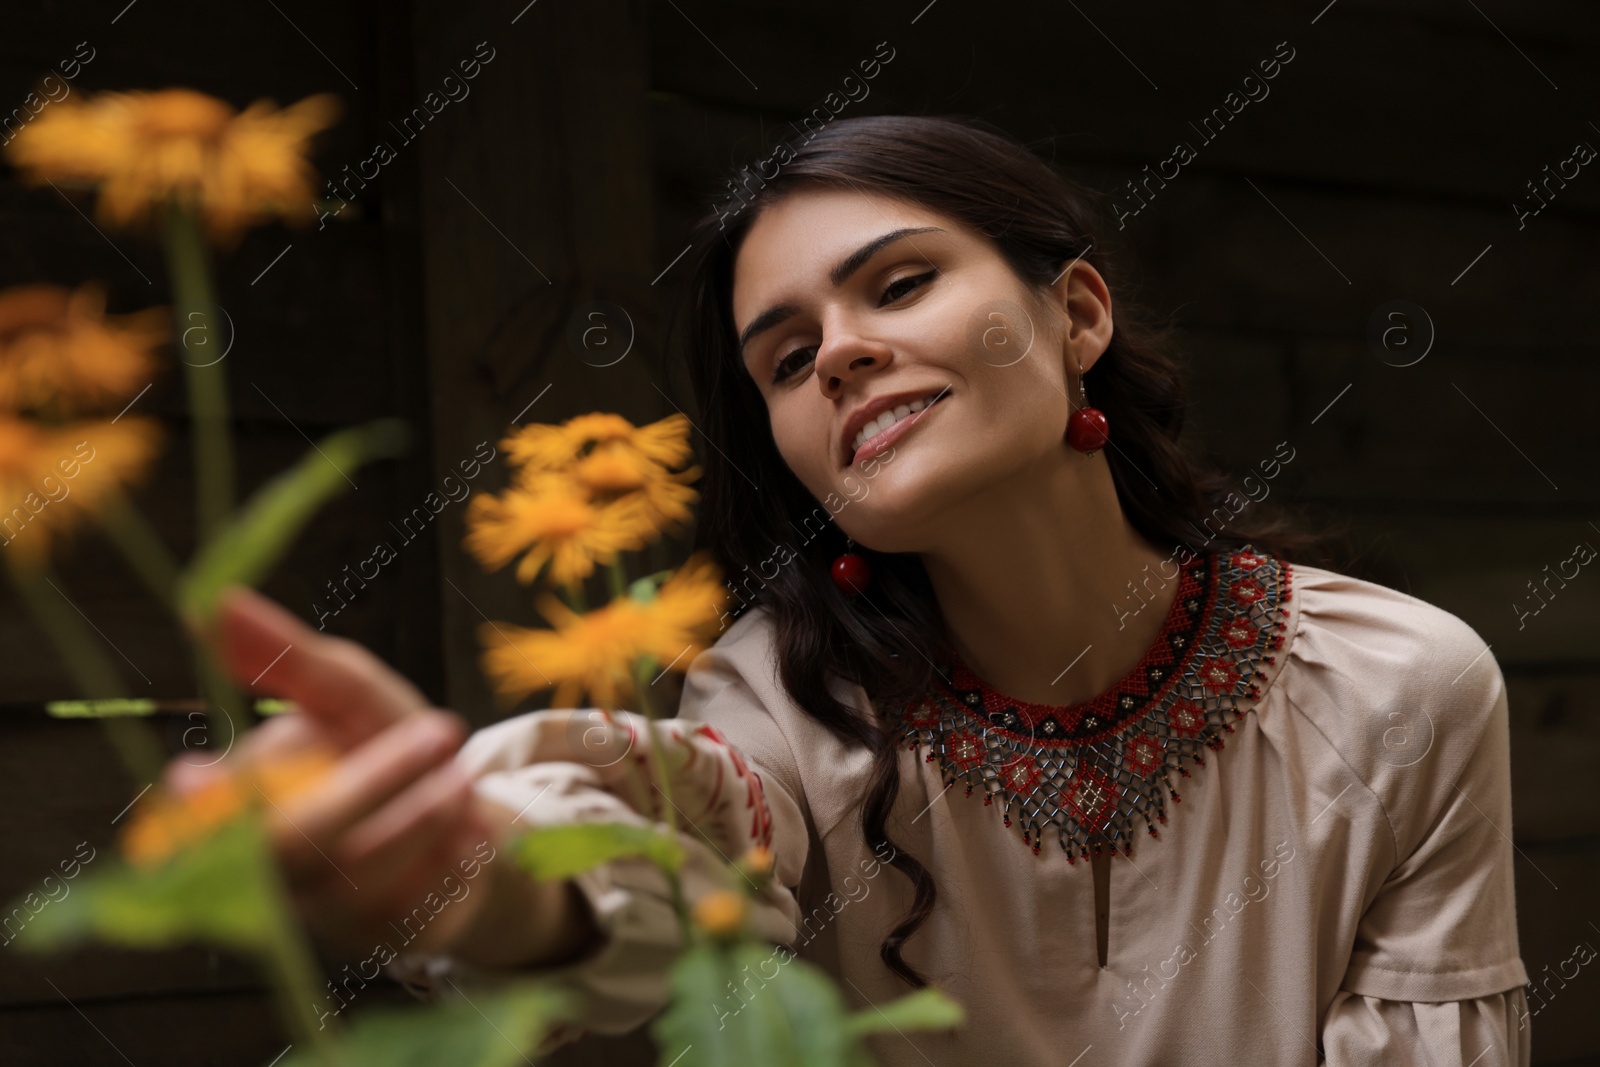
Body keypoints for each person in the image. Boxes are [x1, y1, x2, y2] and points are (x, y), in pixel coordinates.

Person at [181, 115, 1531, 1064]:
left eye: (899, 284)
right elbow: (684, 823)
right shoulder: (778, 704)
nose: (838, 355)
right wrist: (493, 882)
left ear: (1078, 316)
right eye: (783, 358)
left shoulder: (1399, 684)